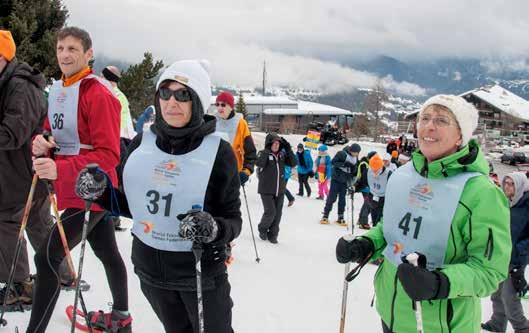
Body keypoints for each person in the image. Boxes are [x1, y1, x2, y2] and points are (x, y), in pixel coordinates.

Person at [78, 59, 242, 333]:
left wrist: (212, 228)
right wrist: (101, 192)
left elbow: (233, 220)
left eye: (183, 94)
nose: (171, 102)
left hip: (199, 275)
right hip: (151, 273)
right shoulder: (142, 143)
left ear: (198, 102)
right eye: (165, 92)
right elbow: (132, 205)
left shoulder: (219, 152)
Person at [336, 94, 511, 332]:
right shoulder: (403, 175)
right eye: (424, 118)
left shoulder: (481, 193)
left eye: (442, 120)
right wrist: (366, 243)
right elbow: (393, 228)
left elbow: (490, 271)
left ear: (461, 135)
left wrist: (440, 283)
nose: (429, 126)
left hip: (440, 325)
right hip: (391, 311)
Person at [28, 27, 130, 333]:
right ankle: (122, 318)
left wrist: (62, 169)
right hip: (72, 189)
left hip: (94, 191)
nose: (64, 54)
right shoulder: (61, 90)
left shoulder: (98, 94)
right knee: (107, 251)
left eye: (72, 48)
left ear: (88, 54)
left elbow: (110, 155)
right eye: (60, 48)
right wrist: (42, 142)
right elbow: (54, 132)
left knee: (47, 257)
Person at [0, 29, 71, 310]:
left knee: (7, 223)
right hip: (22, 172)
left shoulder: (21, 86)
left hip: (22, 173)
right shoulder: (7, 82)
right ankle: (62, 274)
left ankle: (19, 286)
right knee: (38, 224)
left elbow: (12, 133)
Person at [482, 172, 529, 333]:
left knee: (510, 298)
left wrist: (518, 250)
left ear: (520, 186)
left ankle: (522, 328)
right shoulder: (505, 202)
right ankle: (497, 324)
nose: (507, 187)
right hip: (501, 256)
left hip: (515, 259)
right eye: (506, 183)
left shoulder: (526, 204)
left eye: (512, 184)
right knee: (496, 293)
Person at [101, 64, 136, 231]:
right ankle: (112, 217)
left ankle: (113, 217)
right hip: (122, 140)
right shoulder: (119, 95)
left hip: (117, 140)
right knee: (114, 178)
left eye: (103, 75)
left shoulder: (113, 95)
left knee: (113, 178)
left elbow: (118, 123)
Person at [256, 133, 296, 243]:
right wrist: (266, 150)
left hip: (280, 190)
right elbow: (259, 163)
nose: (276, 146)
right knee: (271, 212)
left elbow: (293, 163)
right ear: (269, 144)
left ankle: (273, 234)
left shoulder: (282, 155)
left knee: (278, 214)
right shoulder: (264, 153)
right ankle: (262, 229)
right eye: (274, 143)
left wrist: (288, 149)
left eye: (278, 144)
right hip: (266, 190)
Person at [214, 91, 256, 186]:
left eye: (223, 105)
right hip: (213, 174)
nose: (219, 108)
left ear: (231, 107)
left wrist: (246, 171)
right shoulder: (212, 121)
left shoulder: (240, 124)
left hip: (232, 175)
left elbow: (250, 152)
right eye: (217, 104)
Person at [320, 144, 360, 225]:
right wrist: (344, 164)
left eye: (357, 153)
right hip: (336, 179)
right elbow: (333, 162)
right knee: (332, 197)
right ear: (351, 150)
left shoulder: (355, 158)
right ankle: (325, 215)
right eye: (355, 153)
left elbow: (354, 170)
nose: (356, 154)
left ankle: (340, 216)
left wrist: (353, 170)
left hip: (345, 181)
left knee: (342, 200)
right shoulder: (342, 153)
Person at [366, 154, 391, 227]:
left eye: (376, 170)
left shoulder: (388, 173)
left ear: (381, 167)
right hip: (373, 197)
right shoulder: (368, 171)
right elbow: (362, 181)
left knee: (379, 220)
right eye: (373, 170)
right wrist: (354, 187)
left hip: (384, 198)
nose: (374, 172)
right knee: (374, 218)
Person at [354, 151, 376, 230]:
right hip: (365, 187)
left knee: (367, 204)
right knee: (368, 204)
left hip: (367, 187)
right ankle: (363, 222)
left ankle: (361, 220)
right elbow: (364, 177)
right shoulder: (365, 164)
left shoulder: (368, 163)